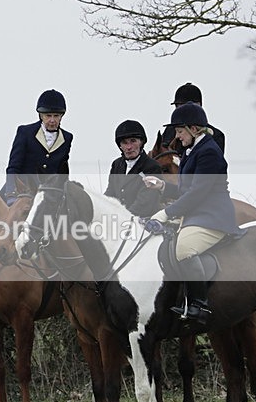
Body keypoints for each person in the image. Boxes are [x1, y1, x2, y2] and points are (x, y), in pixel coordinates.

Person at [143, 103, 241, 326]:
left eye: (180, 131)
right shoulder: (191, 151)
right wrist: (162, 186)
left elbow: (197, 193)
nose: (177, 137)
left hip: (213, 217)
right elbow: (186, 189)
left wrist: (165, 213)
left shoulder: (209, 152)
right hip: (198, 214)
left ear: (194, 129)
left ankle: (200, 305)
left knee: (184, 249)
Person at [2, 89, 73, 204]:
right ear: (41, 115)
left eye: (56, 116)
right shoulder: (25, 132)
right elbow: (13, 168)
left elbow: (62, 174)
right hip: (21, 192)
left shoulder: (67, 138)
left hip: (46, 196)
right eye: (48, 116)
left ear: (61, 116)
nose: (52, 120)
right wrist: (11, 194)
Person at [103, 119, 163, 217]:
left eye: (133, 141)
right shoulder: (116, 164)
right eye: (124, 143)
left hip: (142, 219)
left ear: (141, 142)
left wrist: (123, 218)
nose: (129, 147)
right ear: (120, 146)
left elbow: (145, 202)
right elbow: (111, 193)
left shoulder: (152, 167)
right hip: (119, 218)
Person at [169, 82, 226, 155]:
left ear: (198, 105)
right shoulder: (170, 131)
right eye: (177, 106)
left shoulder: (216, 136)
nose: (178, 110)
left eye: (182, 106)